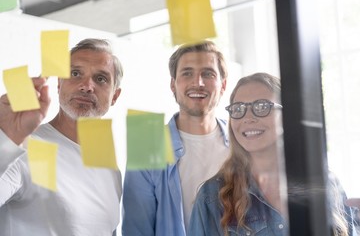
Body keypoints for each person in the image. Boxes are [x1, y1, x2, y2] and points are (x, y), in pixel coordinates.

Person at [189, 72, 357, 236]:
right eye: (238, 109)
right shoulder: (211, 197)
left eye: (262, 107)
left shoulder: (325, 181)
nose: (248, 118)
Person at [0, 38, 123, 235]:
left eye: (100, 78)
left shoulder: (110, 169)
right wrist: (4, 137)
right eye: (75, 74)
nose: (86, 86)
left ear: (115, 96)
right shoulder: (24, 148)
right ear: (59, 84)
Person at [122, 40, 230, 235]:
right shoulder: (146, 146)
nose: (198, 82)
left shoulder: (241, 144)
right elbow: (136, 229)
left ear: (223, 85)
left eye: (208, 73)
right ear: (173, 84)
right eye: (187, 73)